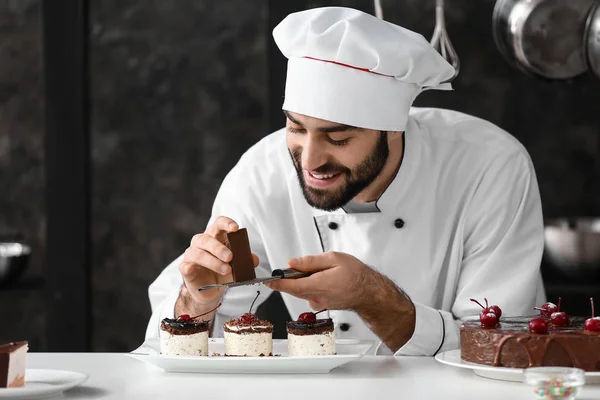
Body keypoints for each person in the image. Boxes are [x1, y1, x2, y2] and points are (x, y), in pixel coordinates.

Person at [145, 6, 546, 356]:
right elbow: (169, 348)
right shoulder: (261, 174)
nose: (311, 160)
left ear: (393, 129)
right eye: (296, 129)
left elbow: (497, 346)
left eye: (338, 138)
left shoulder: (488, 164)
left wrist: (373, 297)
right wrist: (197, 302)